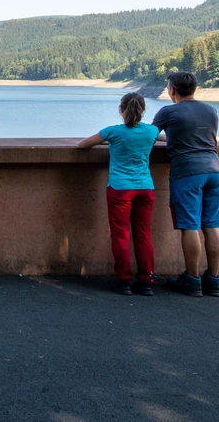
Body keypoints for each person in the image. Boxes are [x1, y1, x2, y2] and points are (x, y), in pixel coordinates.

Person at [77, 93, 158, 296]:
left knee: (121, 235)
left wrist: (109, 142)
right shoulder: (152, 131)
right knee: (143, 235)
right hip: (146, 188)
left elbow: (82, 145)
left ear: (121, 110)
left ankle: (123, 280)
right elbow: (160, 136)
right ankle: (146, 281)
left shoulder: (112, 132)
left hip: (120, 189)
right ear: (143, 110)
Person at [152, 72, 219, 297]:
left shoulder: (168, 111)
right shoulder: (211, 111)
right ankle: (213, 281)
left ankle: (192, 280)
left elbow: (148, 135)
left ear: (172, 89)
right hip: (214, 170)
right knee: (212, 225)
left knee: (190, 226)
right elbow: (208, 139)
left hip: (187, 172)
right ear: (194, 89)